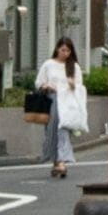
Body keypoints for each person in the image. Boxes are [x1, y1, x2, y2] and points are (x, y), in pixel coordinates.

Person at [34, 39, 88, 178]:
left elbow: (80, 86)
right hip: (51, 100)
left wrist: (72, 85)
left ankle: (62, 162)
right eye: (63, 50)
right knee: (51, 130)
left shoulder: (74, 66)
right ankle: (56, 162)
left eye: (68, 51)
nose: (65, 53)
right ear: (57, 49)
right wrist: (46, 86)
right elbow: (39, 82)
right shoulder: (48, 64)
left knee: (62, 129)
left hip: (67, 102)